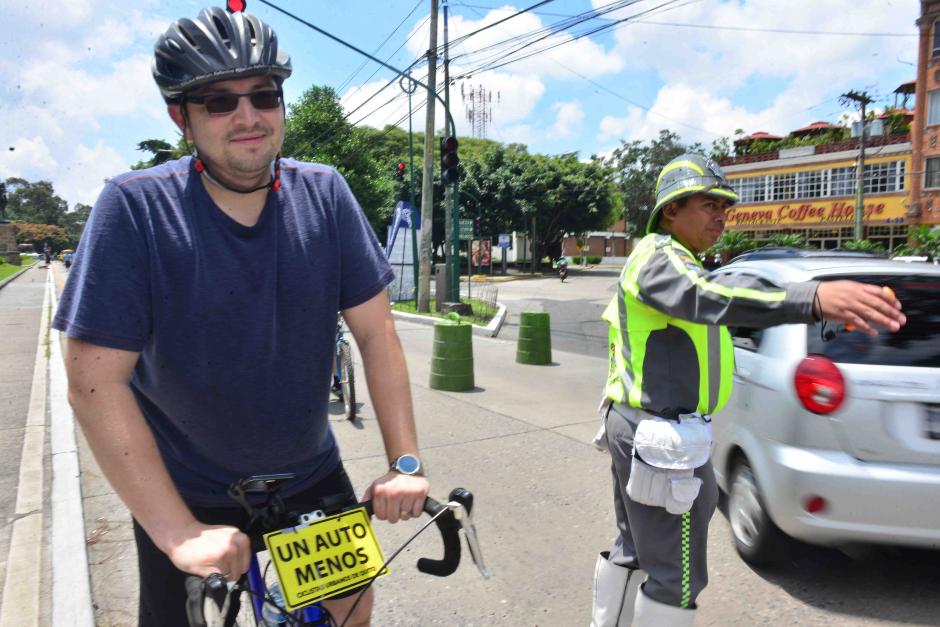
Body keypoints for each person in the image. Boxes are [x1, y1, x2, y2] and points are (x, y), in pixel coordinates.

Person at [53, 7, 427, 626]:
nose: (248, 116)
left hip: (310, 472)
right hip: (186, 486)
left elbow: (377, 334)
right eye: (219, 102)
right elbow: (93, 383)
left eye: (263, 95)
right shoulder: (133, 208)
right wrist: (176, 532)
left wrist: (404, 462)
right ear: (182, 116)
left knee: (349, 616)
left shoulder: (326, 193)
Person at [590, 153, 906, 626]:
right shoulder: (659, 258)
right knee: (675, 579)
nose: (722, 214)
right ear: (671, 209)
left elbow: (725, 287)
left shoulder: (678, 259)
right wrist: (813, 298)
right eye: (708, 203)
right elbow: (708, 297)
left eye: (725, 206)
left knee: (636, 551)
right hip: (660, 437)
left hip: (646, 428)